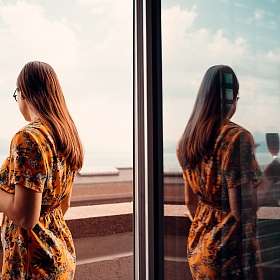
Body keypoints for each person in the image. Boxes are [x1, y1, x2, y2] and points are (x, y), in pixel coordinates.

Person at [176, 65, 264, 279]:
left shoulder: (187, 140)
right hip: (229, 254)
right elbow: (240, 210)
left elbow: (190, 203)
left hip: (199, 248)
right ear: (231, 99)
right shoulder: (237, 137)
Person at [0, 61, 83, 279]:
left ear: (24, 93)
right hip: (57, 253)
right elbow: (64, 204)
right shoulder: (64, 135)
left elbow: (26, 218)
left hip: (30, 263)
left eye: (16, 94)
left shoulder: (27, 138)